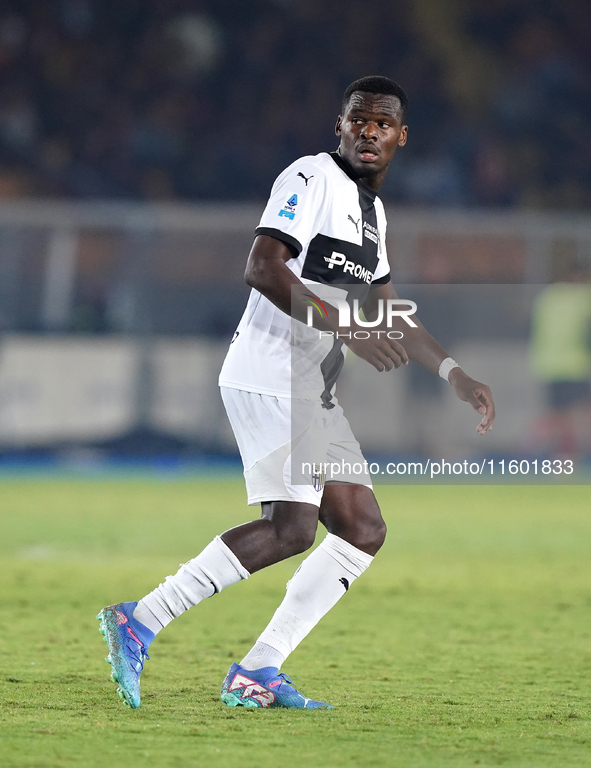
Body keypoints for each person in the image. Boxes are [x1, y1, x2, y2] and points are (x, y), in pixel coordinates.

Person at [97, 76, 495, 710]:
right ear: (339, 125)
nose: (369, 132)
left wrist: (453, 373)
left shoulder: (374, 214)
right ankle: (140, 620)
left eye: (383, 124)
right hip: (269, 372)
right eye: (358, 120)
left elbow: (386, 310)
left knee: (361, 528)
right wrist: (344, 328)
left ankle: (259, 669)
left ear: (401, 137)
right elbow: (261, 267)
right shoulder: (309, 178)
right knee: (291, 529)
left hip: (312, 387)